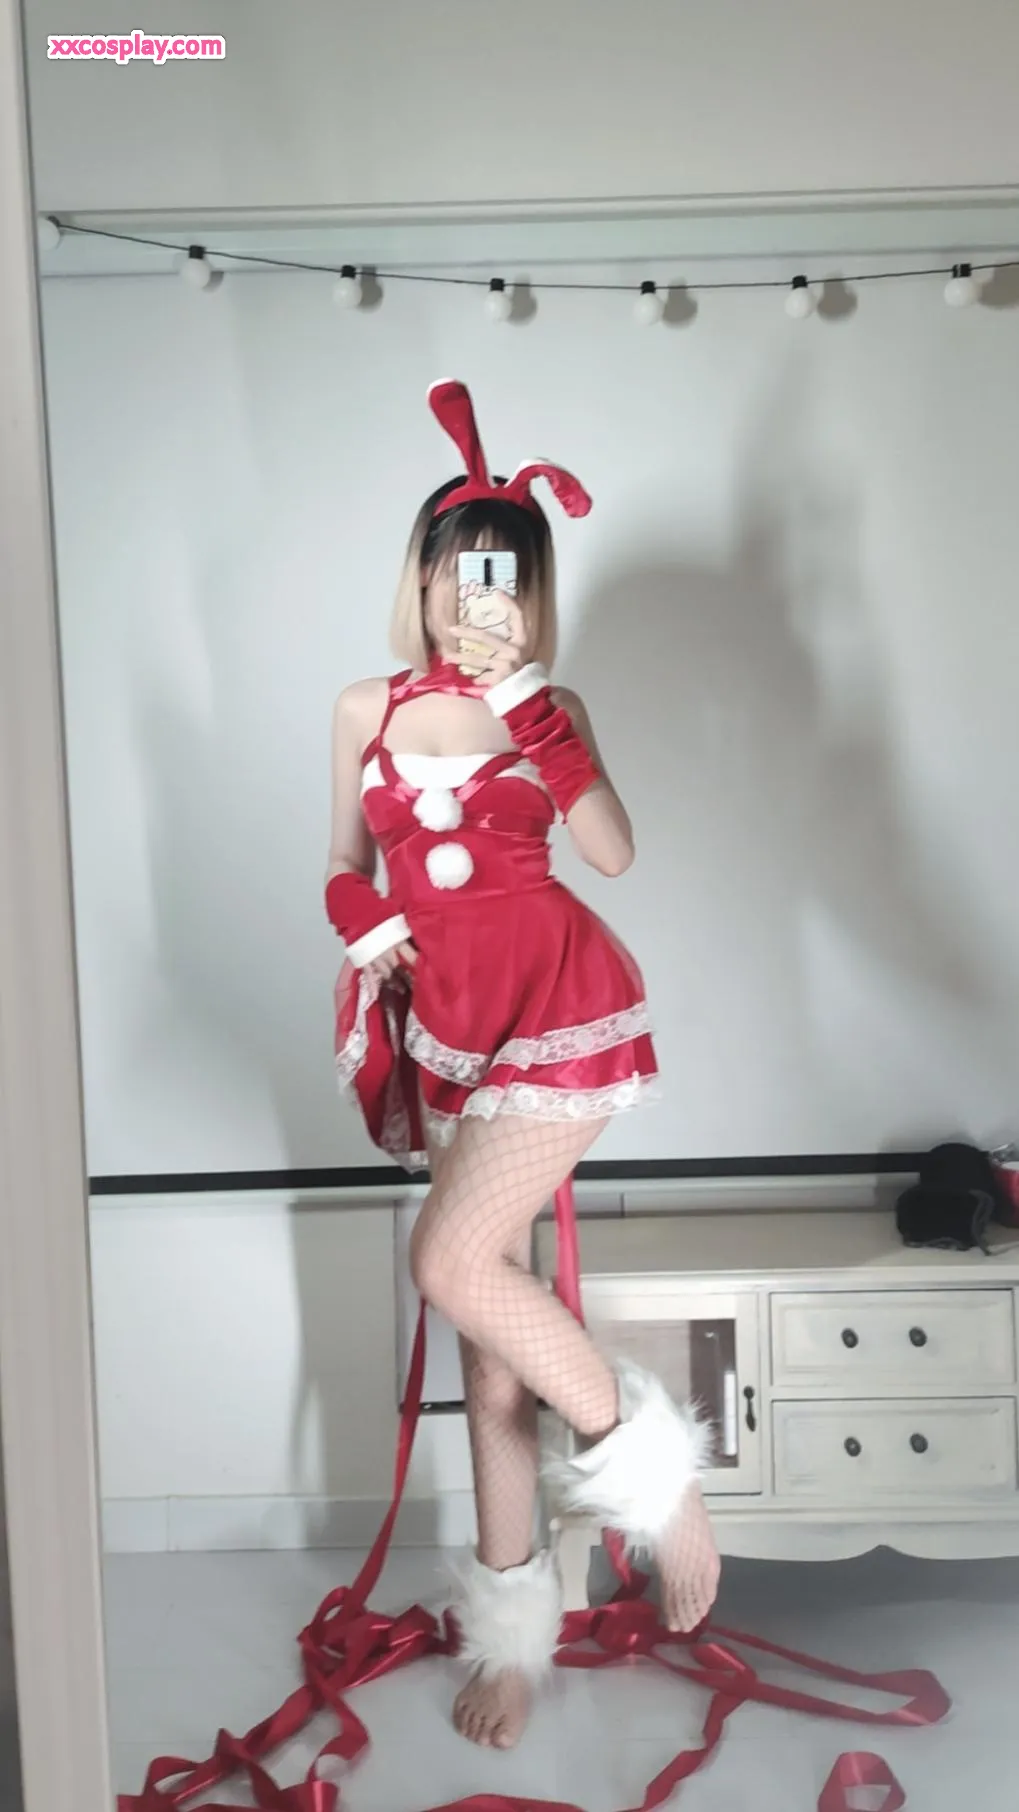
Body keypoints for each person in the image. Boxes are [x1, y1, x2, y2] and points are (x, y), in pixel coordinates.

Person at [325, 380, 721, 1752]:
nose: (471, 595)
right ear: (424, 572)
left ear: (531, 591)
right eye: (455, 566)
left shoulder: (551, 706)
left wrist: (531, 708)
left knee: (447, 1265)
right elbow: (343, 861)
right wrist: (361, 919)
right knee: (490, 1361)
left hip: (555, 1010)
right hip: (444, 1030)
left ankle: (660, 1488)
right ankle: (512, 1639)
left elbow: (609, 853)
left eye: (501, 573)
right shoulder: (363, 705)